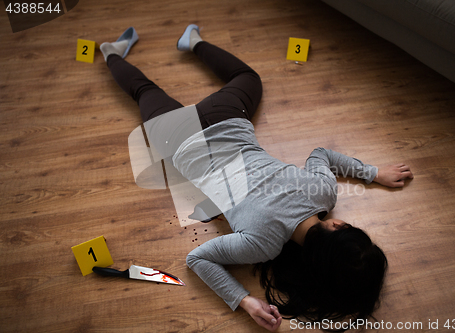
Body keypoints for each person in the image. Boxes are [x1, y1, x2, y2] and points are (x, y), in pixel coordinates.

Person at [100, 25, 414, 332]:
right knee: (143, 91)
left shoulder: (322, 192)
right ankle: (110, 54)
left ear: (339, 226)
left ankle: (193, 40)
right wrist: (246, 301)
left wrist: (373, 173)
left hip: (226, 116)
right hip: (178, 139)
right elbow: (196, 259)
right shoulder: (260, 246)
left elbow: (323, 153)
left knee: (247, 78)